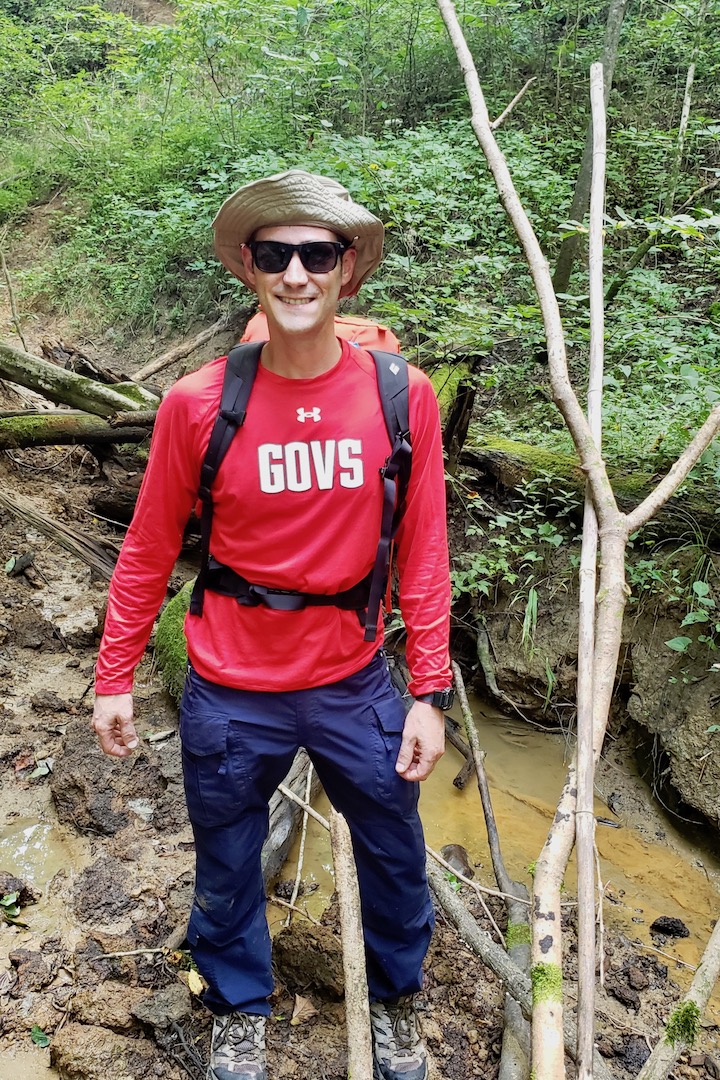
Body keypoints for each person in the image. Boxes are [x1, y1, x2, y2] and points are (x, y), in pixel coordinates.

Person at [92, 169, 453, 1080]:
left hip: (355, 681)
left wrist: (432, 691)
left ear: (347, 272)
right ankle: (238, 1011)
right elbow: (144, 553)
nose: (296, 274)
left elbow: (423, 553)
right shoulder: (196, 405)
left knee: (397, 858)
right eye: (275, 255)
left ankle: (396, 1004)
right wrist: (114, 677)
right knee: (224, 867)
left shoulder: (401, 396)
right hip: (228, 688)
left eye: (316, 255)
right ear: (249, 270)